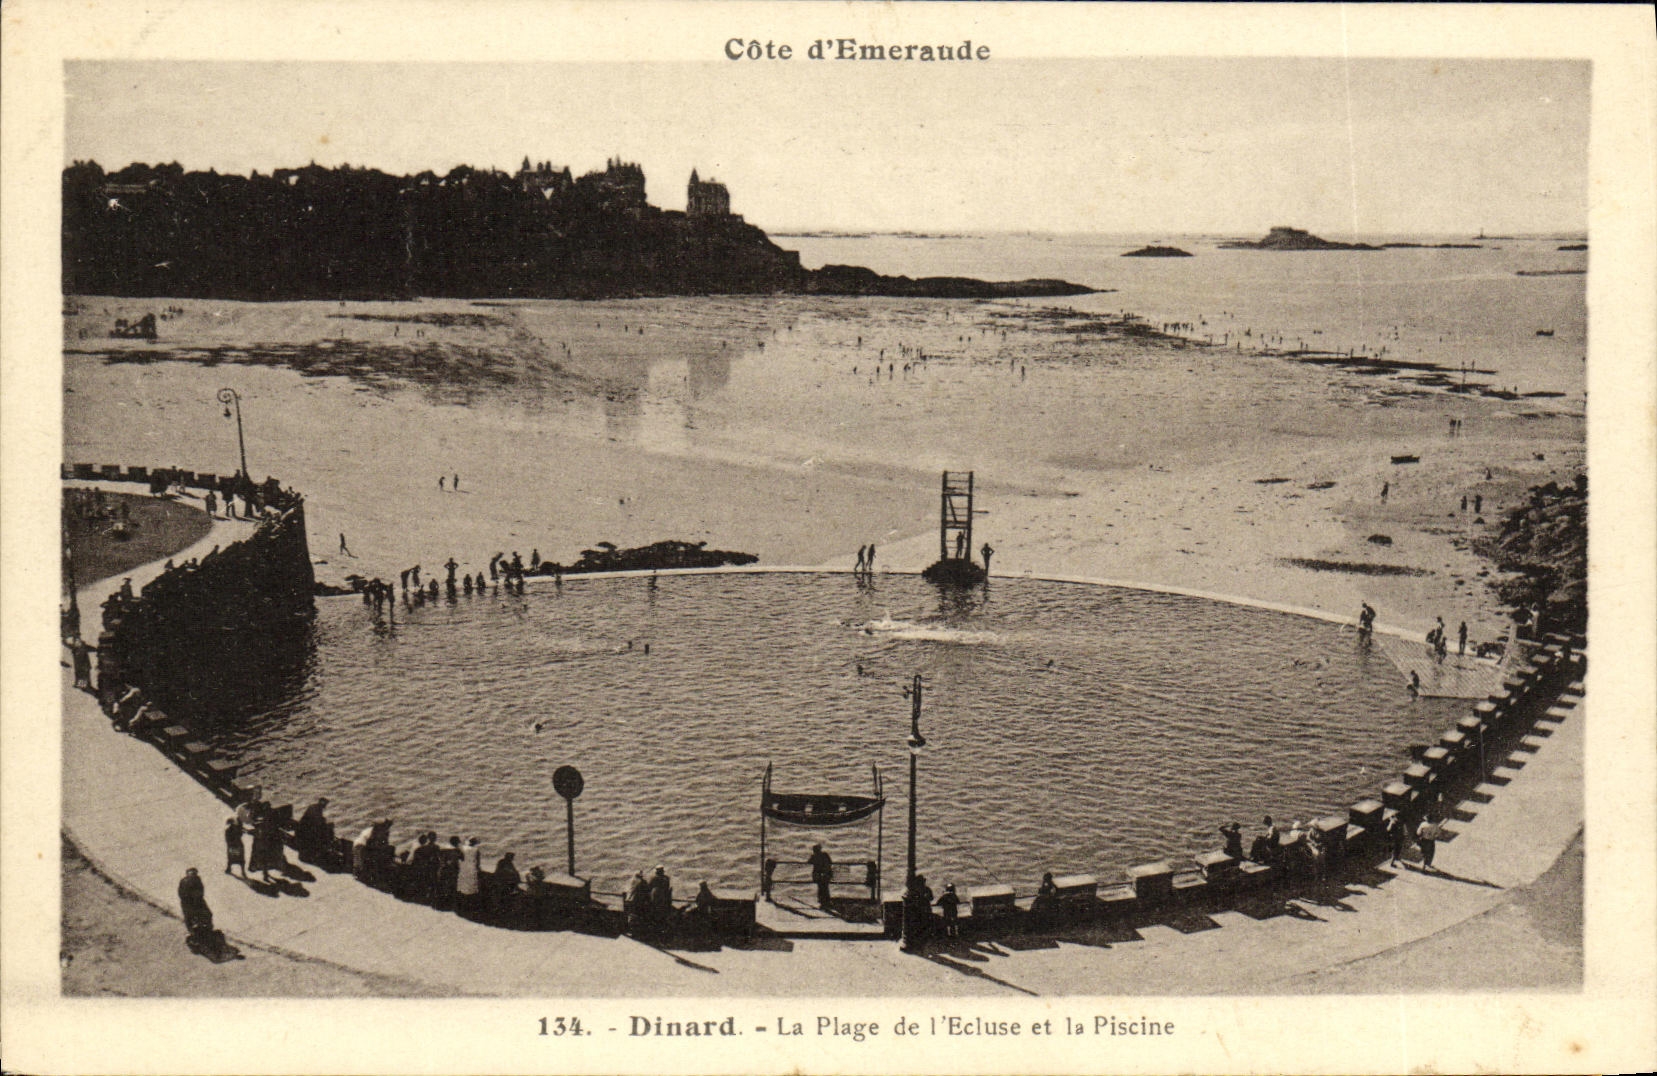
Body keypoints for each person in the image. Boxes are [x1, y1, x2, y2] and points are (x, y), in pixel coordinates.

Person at [295, 798, 333, 865]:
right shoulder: (316, 809)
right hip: (306, 831)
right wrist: (327, 825)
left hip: (304, 829)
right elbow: (317, 823)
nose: (325, 806)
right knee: (325, 834)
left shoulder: (314, 807)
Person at [178, 867, 213, 938]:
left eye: (194, 874)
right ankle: (192, 933)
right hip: (187, 903)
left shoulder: (198, 880)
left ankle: (208, 928)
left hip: (198, 901)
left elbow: (201, 890)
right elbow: (181, 894)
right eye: (191, 874)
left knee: (208, 914)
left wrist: (198, 898)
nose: (193, 876)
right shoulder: (184, 882)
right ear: (187, 875)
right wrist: (191, 901)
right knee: (189, 917)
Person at [456, 837, 483, 918]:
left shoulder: (463, 848)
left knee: (463, 886)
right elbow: (478, 862)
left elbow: (460, 857)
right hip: (472, 868)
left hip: (464, 868)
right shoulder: (476, 850)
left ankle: (462, 906)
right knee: (472, 888)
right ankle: (470, 907)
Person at [648, 865, 674, 935]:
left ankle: (656, 928)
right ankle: (662, 928)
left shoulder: (653, 878)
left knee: (655, 912)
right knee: (662, 912)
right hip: (664, 897)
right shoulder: (666, 878)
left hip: (656, 897)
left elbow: (649, 887)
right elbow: (668, 888)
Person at [808, 843, 834, 909]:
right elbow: (830, 862)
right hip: (825, 874)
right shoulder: (824, 855)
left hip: (820, 875)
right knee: (825, 888)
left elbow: (809, 862)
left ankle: (823, 901)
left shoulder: (815, 856)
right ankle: (826, 901)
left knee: (821, 888)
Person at [625, 871, 650, 936]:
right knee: (637, 915)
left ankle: (631, 931)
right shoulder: (643, 882)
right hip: (637, 901)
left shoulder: (631, 880)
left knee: (631, 916)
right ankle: (635, 932)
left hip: (629, 900)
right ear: (641, 876)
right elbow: (647, 891)